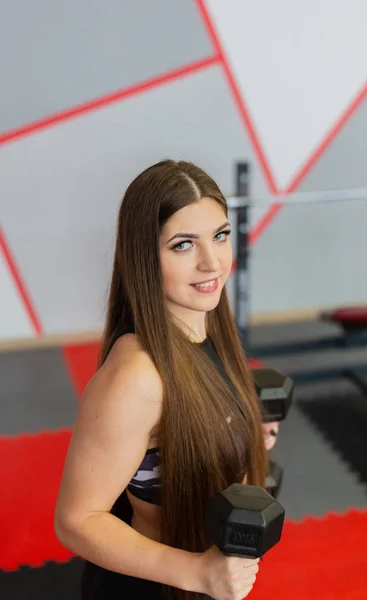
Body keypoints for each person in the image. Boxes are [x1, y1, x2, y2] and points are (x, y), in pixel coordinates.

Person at [54, 159, 280, 600]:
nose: (211, 262)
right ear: (144, 255)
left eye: (220, 236)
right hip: (157, 589)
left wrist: (243, 431)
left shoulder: (205, 325)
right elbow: (77, 520)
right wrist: (198, 573)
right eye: (183, 245)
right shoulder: (137, 377)